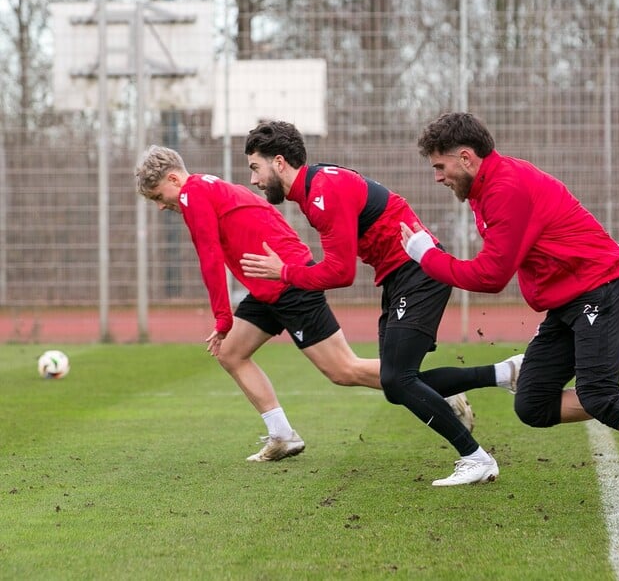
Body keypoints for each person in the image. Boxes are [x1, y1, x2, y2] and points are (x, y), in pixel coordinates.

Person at [401, 111, 619, 510]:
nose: (438, 176)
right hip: (568, 301)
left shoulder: (504, 187)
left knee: (599, 396)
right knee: (532, 404)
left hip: (598, 290)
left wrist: (427, 257)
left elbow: (491, 276)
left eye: (440, 165)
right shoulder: (486, 189)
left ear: (466, 157)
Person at [133, 145, 473, 464]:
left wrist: (223, 319)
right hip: (268, 285)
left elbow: (209, 259)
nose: (162, 206)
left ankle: (433, 392)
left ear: (174, 179)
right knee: (231, 353)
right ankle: (282, 436)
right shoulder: (210, 187)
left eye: (159, 197)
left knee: (343, 370)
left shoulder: (194, 194)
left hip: (287, 283)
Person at [236, 121, 524, 486]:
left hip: (418, 273)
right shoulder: (314, 190)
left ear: (278, 162)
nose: (254, 180)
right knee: (395, 382)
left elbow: (340, 274)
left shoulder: (323, 192)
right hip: (400, 278)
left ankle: (476, 457)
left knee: (398, 380)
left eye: (255, 168)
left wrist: (285, 272)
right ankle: (504, 374)